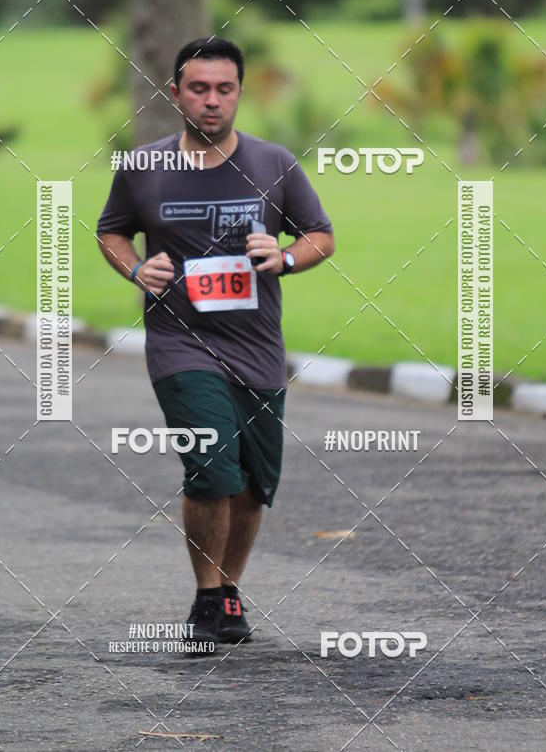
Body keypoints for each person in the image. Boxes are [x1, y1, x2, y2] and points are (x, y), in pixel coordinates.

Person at [97, 37, 334, 645]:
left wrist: (282, 257)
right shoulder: (144, 167)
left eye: (223, 89)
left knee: (253, 483)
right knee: (211, 467)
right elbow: (112, 233)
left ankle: (228, 593)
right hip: (180, 346)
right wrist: (134, 269)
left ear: (239, 93)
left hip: (257, 348)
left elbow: (321, 236)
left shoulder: (273, 163)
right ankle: (206, 595)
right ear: (174, 93)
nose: (211, 101)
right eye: (198, 88)